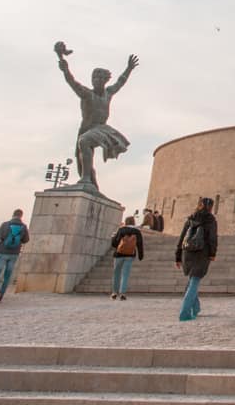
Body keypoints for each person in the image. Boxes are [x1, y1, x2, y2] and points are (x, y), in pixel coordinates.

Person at [55, 42, 139, 191]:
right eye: (95, 78)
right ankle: (90, 181)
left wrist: (129, 68)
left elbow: (120, 82)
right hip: (87, 128)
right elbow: (72, 82)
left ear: (105, 80)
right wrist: (66, 70)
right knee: (82, 160)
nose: (97, 81)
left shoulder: (108, 93)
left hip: (101, 128)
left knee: (85, 141)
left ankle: (86, 179)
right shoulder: (87, 94)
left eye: (101, 79)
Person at [174, 197, 217, 321]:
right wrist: (212, 253)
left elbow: (182, 237)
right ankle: (185, 312)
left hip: (187, 252)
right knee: (194, 282)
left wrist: (178, 255)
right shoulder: (210, 220)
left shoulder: (190, 218)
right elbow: (212, 238)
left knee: (192, 281)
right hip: (202, 253)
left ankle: (196, 308)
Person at [0, 208, 30, 304]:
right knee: (7, 276)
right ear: (21, 216)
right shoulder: (23, 227)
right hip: (14, 254)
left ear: (13, 215)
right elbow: (26, 240)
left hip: (2, 252)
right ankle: (1, 296)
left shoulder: (5, 225)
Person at [110, 215, 144, 300]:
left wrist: (113, 238)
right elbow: (140, 244)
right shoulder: (137, 231)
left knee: (116, 273)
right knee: (125, 274)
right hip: (130, 255)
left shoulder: (121, 229)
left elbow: (115, 243)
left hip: (119, 255)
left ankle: (114, 292)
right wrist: (140, 255)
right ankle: (123, 293)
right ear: (133, 222)